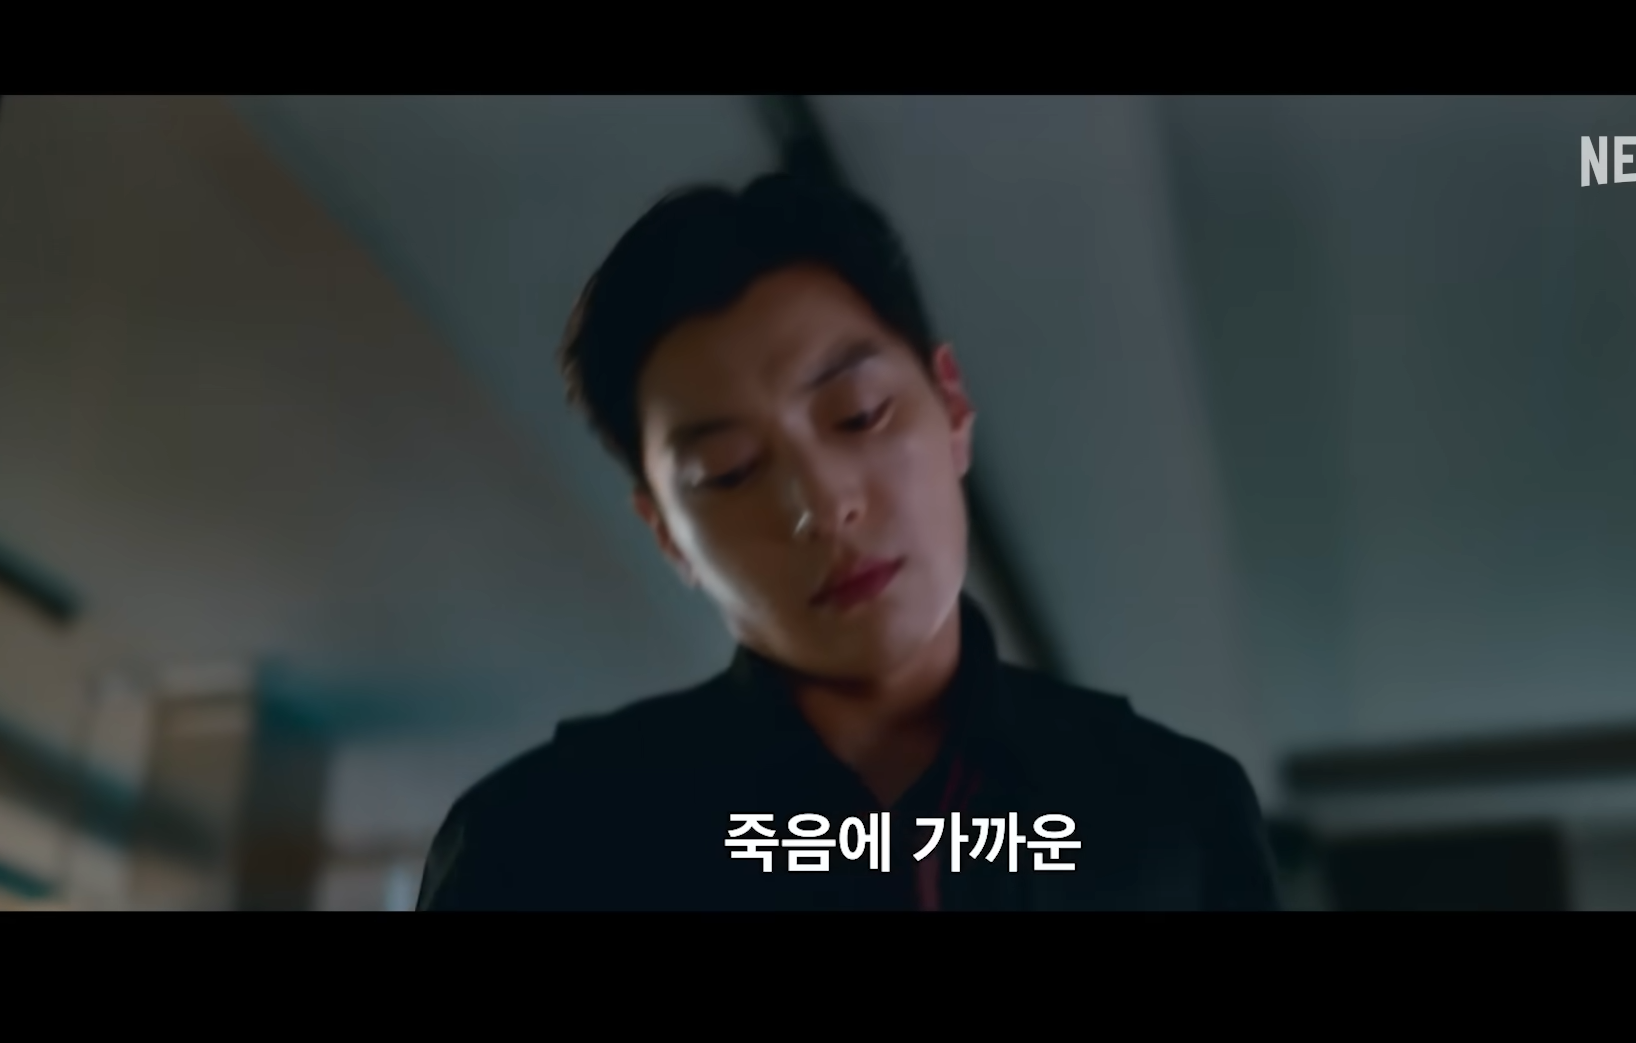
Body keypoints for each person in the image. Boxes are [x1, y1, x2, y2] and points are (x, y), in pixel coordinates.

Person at [416, 172, 1279, 910]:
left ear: (951, 404)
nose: (824, 508)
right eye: (728, 470)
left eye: (859, 415)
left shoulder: (1172, 810)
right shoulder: (541, 841)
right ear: (667, 533)